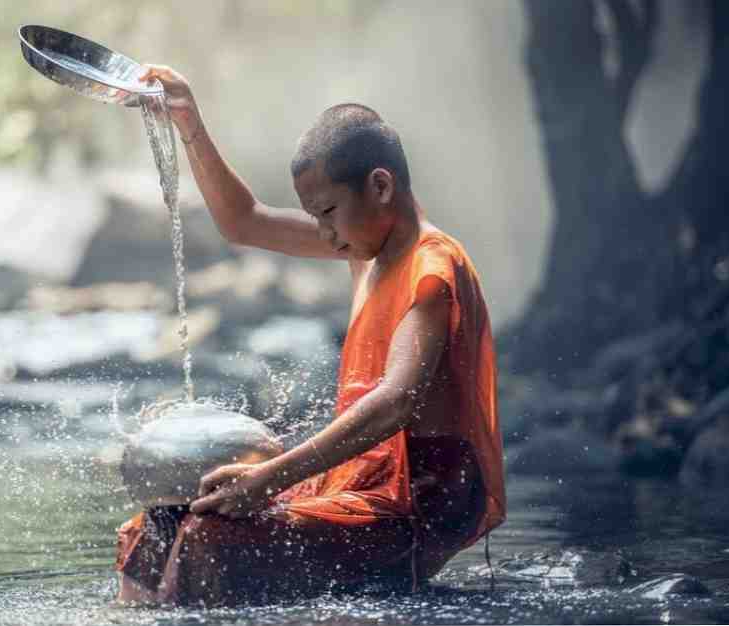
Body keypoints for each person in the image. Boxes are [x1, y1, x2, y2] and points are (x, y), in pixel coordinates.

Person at [114, 65, 506, 607]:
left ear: (380, 186)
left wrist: (269, 478)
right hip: (356, 483)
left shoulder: (431, 267)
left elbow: (396, 402)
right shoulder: (364, 244)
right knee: (154, 525)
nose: (324, 235)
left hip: (416, 505)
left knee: (208, 538)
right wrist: (188, 121)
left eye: (327, 213)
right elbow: (244, 222)